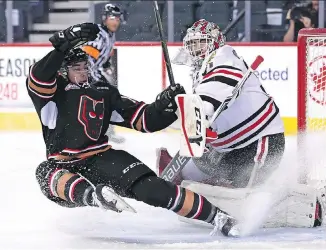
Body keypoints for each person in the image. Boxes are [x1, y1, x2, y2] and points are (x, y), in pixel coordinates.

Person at [28, 22, 239, 237]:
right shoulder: (53, 94)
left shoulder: (103, 91)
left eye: (85, 67)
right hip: (65, 165)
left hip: (102, 158)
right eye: (76, 69)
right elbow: (38, 76)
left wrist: (165, 105)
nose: (83, 73)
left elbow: (144, 120)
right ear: (63, 72)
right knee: (45, 172)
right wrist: (62, 46)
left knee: (153, 189)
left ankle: (219, 217)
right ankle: (94, 195)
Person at [157, 19, 285, 189]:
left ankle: (293, 202)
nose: (196, 50)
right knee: (210, 173)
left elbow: (210, 98)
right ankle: (185, 175)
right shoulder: (203, 68)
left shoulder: (224, 59)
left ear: (214, 43)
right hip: (231, 149)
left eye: (200, 43)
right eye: (192, 44)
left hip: (260, 141)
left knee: (245, 193)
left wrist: (195, 113)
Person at [82, 3, 125, 143]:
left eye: (118, 18)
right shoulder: (99, 35)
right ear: (105, 18)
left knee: (109, 100)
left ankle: (106, 132)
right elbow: (85, 58)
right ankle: (96, 133)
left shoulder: (110, 35)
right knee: (103, 102)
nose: (116, 21)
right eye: (112, 18)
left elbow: (103, 55)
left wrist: (105, 65)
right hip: (87, 75)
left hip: (94, 74)